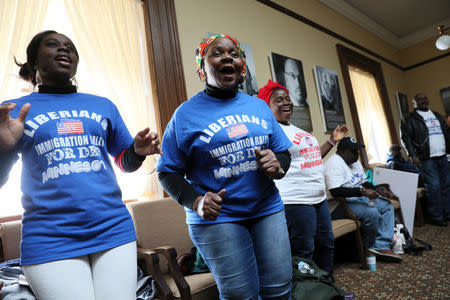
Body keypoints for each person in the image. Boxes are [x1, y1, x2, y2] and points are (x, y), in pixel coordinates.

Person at [0, 30, 161, 300]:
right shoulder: (12, 109)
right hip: (50, 237)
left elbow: (124, 162)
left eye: (70, 47)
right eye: (52, 45)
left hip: (112, 229)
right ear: (33, 63)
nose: (64, 50)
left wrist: (136, 151)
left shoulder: (102, 105)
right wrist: (4, 150)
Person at [156, 34, 293, 299]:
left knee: (279, 289)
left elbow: (282, 153)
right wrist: (195, 201)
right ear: (202, 67)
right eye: (217, 53)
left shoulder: (259, 107)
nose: (227, 57)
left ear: (241, 66)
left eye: (234, 53)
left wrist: (278, 165)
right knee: (240, 295)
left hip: (267, 209)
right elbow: (166, 172)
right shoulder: (184, 114)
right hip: (218, 218)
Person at [257, 79, 349, 274]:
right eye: (279, 100)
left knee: (326, 245)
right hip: (295, 200)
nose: (286, 102)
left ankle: (326, 288)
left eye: (288, 99)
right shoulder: (268, 131)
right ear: (267, 105)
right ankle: (307, 292)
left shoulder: (297, 130)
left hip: (319, 198)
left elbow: (313, 157)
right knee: (303, 253)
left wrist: (332, 140)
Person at [324, 137, 402, 263]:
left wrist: (378, 191)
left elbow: (364, 182)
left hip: (359, 199)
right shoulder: (333, 164)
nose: (357, 154)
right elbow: (336, 191)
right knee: (372, 213)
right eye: (354, 151)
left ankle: (380, 245)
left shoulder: (354, 161)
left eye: (358, 151)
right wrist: (363, 192)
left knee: (386, 205)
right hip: (339, 204)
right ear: (342, 151)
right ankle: (367, 248)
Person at [400, 93, 450, 226]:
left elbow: (446, 132)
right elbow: (406, 138)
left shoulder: (437, 115)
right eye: (419, 99)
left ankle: (447, 213)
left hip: (443, 155)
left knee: (446, 185)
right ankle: (437, 217)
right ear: (414, 103)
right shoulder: (409, 118)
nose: (423, 100)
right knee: (434, 187)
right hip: (426, 158)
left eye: (424, 98)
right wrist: (412, 155)